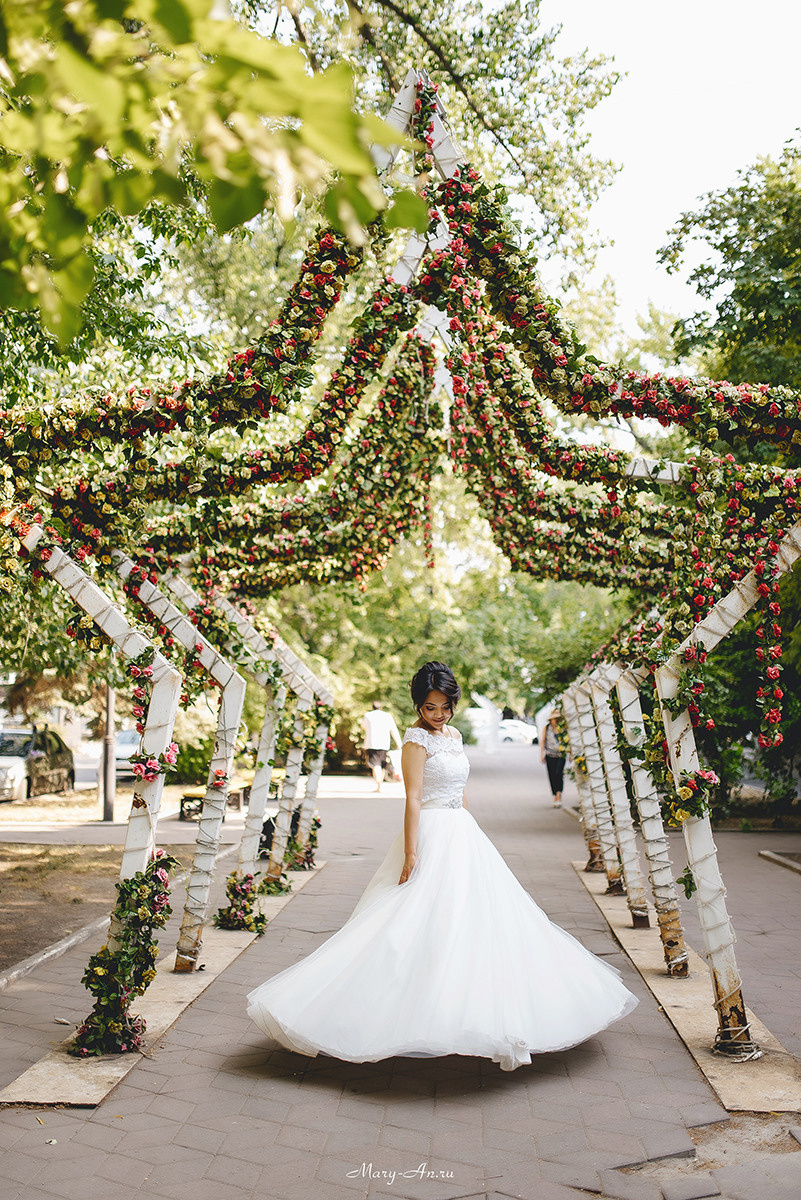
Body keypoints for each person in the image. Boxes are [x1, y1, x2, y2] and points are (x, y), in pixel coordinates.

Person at [246, 661, 638, 1072]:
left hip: (462, 832)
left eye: (445, 706)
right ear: (419, 705)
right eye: (431, 707)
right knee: (410, 920)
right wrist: (412, 852)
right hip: (430, 832)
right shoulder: (415, 740)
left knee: (483, 921)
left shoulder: (454, 735)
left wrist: (472, 830)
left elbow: (460, 789)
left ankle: (479, 1011)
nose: (439, 715)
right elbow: (413, 798)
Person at [361, 701, 402, 792]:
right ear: (381, 708)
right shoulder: (387, 716)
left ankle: (378, 784)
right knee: (382, 764)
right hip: (384, 744)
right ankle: (380, 786)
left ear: (372, 707)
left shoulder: (368, 715)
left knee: (375, 764)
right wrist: (399, 743)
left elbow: (363, 726)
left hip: (371, 744)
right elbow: (393, 730)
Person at [541, 712, 566, 807]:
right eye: (553, 719)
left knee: (559, 773)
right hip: (550, 754)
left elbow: (566, 740)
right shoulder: (546, 728)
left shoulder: (562, 728)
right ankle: (555, 795)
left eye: (557, 719)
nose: (555, 721)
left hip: (560, 754)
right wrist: (542, 754)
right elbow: (543, 741)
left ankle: (559, 794)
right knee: (552, 775)